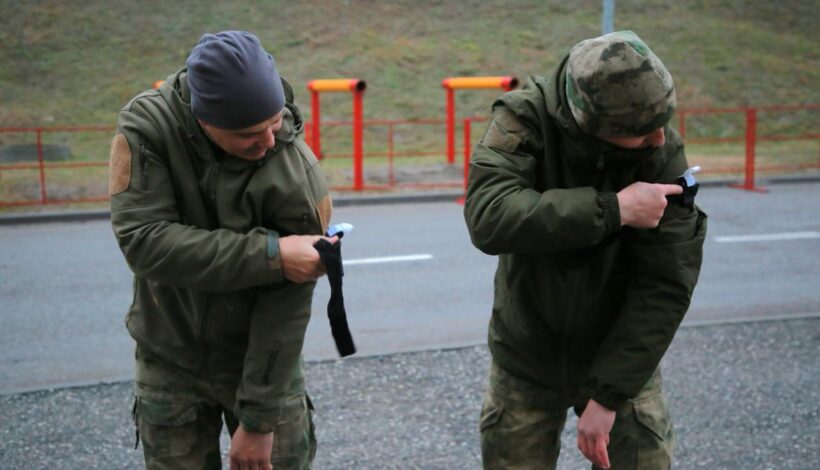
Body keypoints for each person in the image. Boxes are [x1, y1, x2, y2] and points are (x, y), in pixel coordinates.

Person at [463, 31, 707, 469]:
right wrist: (613, 210)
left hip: (620, 357)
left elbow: (667, 281)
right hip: (526, 356)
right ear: (595, 127)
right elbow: (489, 215)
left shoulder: (660, 145)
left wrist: (610, 394)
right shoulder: (524, 118)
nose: (659, 139)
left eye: (661, 124)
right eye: (642, 132)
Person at [108, 30, 335, 469]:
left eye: (274, 123)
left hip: (263, 357)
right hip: (169, 351)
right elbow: (145, 242)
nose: (269, 141)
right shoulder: (149, 128)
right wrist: (273, 256)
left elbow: (288, 302)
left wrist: (259, 421)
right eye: (250, 134)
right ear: (203, 121)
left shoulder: (293, 163)